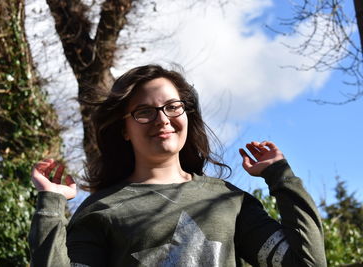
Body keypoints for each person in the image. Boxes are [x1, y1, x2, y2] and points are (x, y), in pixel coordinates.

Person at [29, 64, 327, 267]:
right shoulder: (101, 209)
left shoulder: (229, 200)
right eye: (144, 112)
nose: (163, 119)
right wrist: (50, 206)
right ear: (123, 129)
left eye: (172, 107)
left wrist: (281, 177)